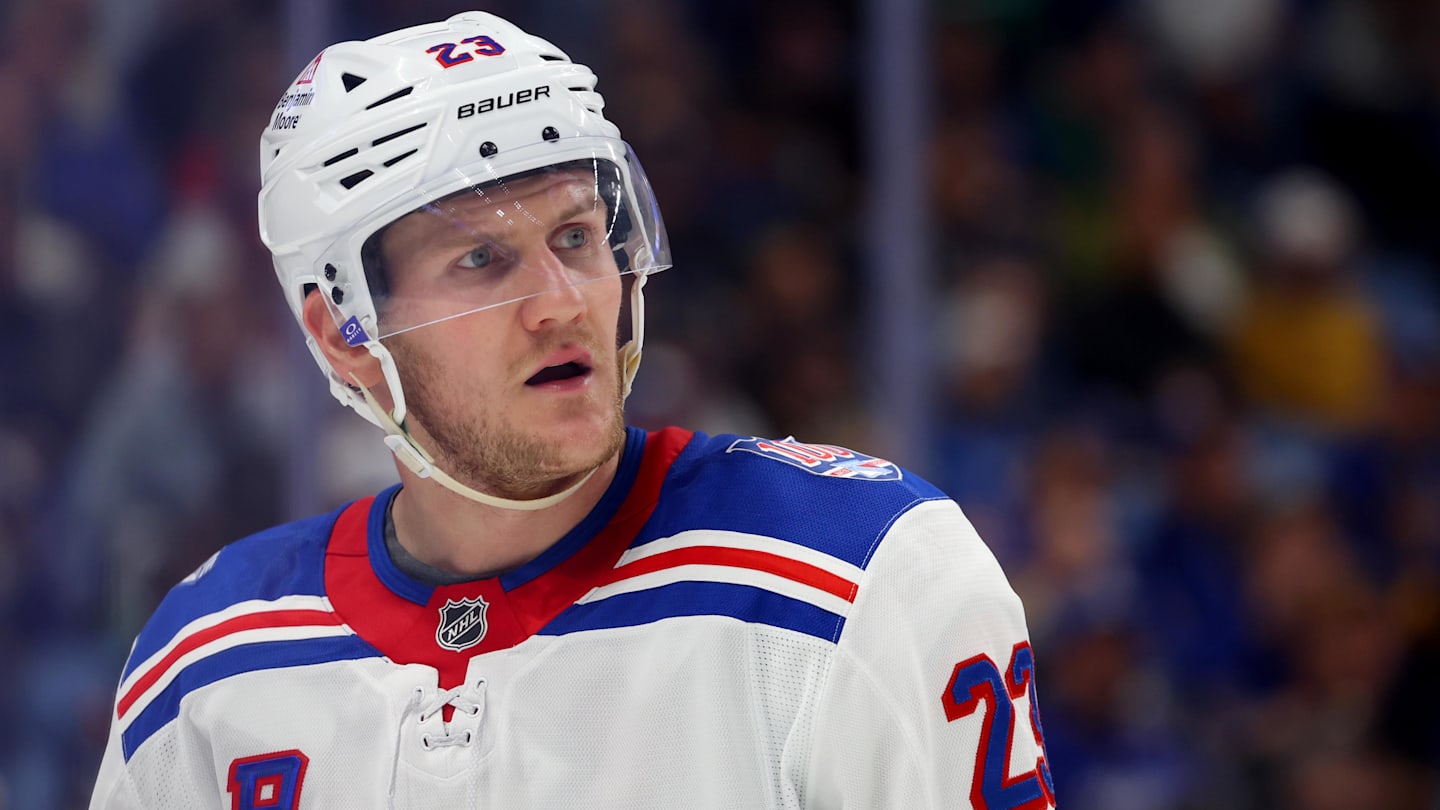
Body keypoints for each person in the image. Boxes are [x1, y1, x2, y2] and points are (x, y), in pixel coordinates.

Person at [90, 11, 1054, 808]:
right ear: (345, 330)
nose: (564, 300)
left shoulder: (860, 575)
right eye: (483, 259)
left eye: (578, 235)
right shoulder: (205, 668)